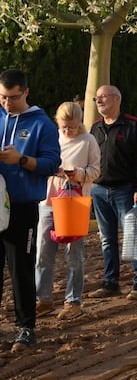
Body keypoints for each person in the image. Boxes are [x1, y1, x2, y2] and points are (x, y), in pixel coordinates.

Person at [0, 69, 61, 352]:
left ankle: (26, 327)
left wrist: (21, 159)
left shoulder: (42, 125)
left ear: (25, 92)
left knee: (21, 268)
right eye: (2, 97)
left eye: (12, 97)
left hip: (22, 207)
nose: (7, 103)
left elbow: (51, 165)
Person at [36, 101, 100, 321]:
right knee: (43, 252)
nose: (67, 131)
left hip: (75, 201)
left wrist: (78, 173)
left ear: (80, 122)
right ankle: (42, 298)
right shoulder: (51, 138)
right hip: (49, 200)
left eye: (72, 127)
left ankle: (73, 301)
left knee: (74, 254)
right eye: (64, 127)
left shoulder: (88, 140)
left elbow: (95, 171)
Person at [87, 85, 137, 301]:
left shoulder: (133, 125)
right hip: (99, 190)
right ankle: (110, 281)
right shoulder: (95, 128)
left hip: (126, 190)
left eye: (103, 97)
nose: (99, 101)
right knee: (107, 239)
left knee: (133, 237)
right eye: (97, 98)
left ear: (116, 99)